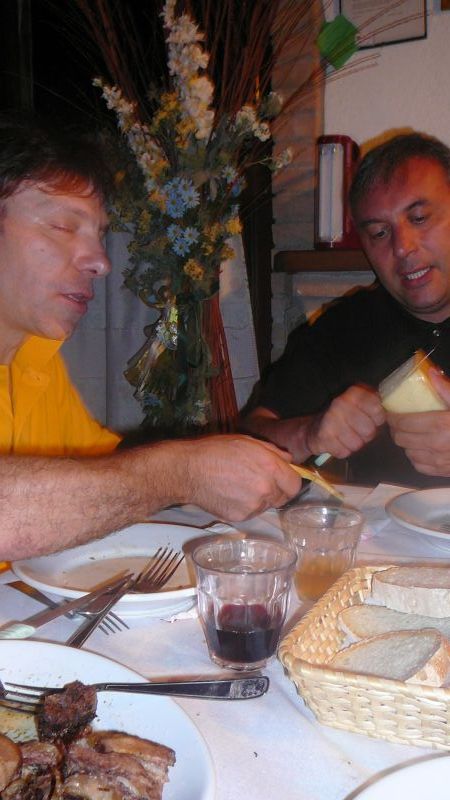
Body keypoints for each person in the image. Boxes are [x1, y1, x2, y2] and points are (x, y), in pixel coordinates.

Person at [0, 115, 300, 561]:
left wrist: (220, 465)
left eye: (100, 235)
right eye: (63, 226)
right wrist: (180, 473)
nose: (101, 261)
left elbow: (101, 474)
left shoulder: (34, 357)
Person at [242, 131, 450, 487]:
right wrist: (309, 432)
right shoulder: (347, 328)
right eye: (379, 233)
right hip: (376, 525)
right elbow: (248, 435)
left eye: (419, 218)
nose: (402, 247)